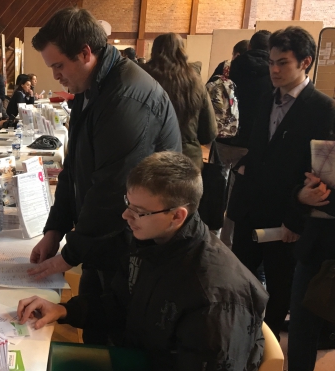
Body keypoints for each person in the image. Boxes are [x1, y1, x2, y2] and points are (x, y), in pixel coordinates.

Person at [18, 152, 268, 370]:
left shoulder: (214, 295)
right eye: (128, 203)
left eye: (139, 211)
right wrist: (64, 310)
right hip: (138, 356)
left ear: (177, 216)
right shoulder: (151, 242)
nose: (126, 215)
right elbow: (118, 304)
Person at [25, 7, 181, 345]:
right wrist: (55, 229)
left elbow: (112, 193)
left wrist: (67, 256)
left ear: (85, 53)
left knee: (115, 336)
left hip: (136, 244)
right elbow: (74, 170)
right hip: (107, 240)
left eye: (59, 66)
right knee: (94, 326)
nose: (56, 76)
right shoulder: (91, 87)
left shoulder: (126, 98)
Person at [227, 26, 335, 339]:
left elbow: (318, 181)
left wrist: (294, 218)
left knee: (277, 293)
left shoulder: (323, 109)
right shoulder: (265, 97)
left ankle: (265, 351)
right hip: (249, 211)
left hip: (285, 221)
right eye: (272, 62)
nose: (274, 69)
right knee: (240, 285)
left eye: (283, 62)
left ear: (306, 62)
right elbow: (258, 150)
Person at [217, 30, 273, 248]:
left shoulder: (228, 68)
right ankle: (228, 242)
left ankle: (211, 233)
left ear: (249, 47)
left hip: (223, 138)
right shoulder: (273, 73)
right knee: (238, 195)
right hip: (251, 145)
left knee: (216, 187)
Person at [143, 33, 217, 168]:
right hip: (188, 159)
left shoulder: (143, 78)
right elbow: (209, 132)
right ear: (182, 50)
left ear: (154, 51)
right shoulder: (195, 81)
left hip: (149, 156)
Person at [289, 171, 335, 371]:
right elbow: (296, 177)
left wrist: (325, 197)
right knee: (301, 334)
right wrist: (301, 195)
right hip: (315, 249)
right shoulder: (325, 139)